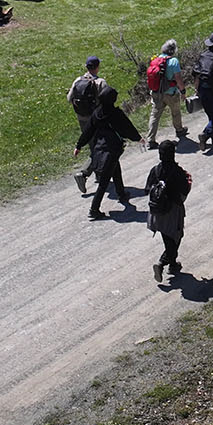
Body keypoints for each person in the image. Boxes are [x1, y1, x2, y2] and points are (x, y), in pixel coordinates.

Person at [75, 84, 142, 219]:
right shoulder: (116, 114)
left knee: (116, 169)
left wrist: (79, 145)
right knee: (104, 182)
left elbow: (88, 131)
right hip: (112, 149)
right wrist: (138, 138)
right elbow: (127, 128)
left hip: (100, 148)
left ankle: (121, 193)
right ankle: (94, 210)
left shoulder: (97, 113)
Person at [145, 140, 192, 281]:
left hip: (156, 211)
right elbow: (185, 189)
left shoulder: (155, 170)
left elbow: (147, 189)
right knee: (176, 237)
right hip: (172, 211)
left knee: (167, 238)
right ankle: (161, 263)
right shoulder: (177, 171)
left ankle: (173, 265)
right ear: (173, 154)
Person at [68, 57, 106, 193]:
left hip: (82, 119)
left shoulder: (77, 81)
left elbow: (69, 98)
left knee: (93, 145)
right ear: (97, 67)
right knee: (100, 147)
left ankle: (99, 174)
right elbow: (106, 100)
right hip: (95, 119)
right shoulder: (100, 82)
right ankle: (84, 173)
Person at [146, 39, 188, 145]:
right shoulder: (174, 61)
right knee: (176, 112)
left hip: (157, 92)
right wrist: (183, 91)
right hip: (171, 93)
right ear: (173, 50)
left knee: (155, 115)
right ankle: (179, 130)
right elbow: (178, 79)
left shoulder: (156, 60)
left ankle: (150, 139)